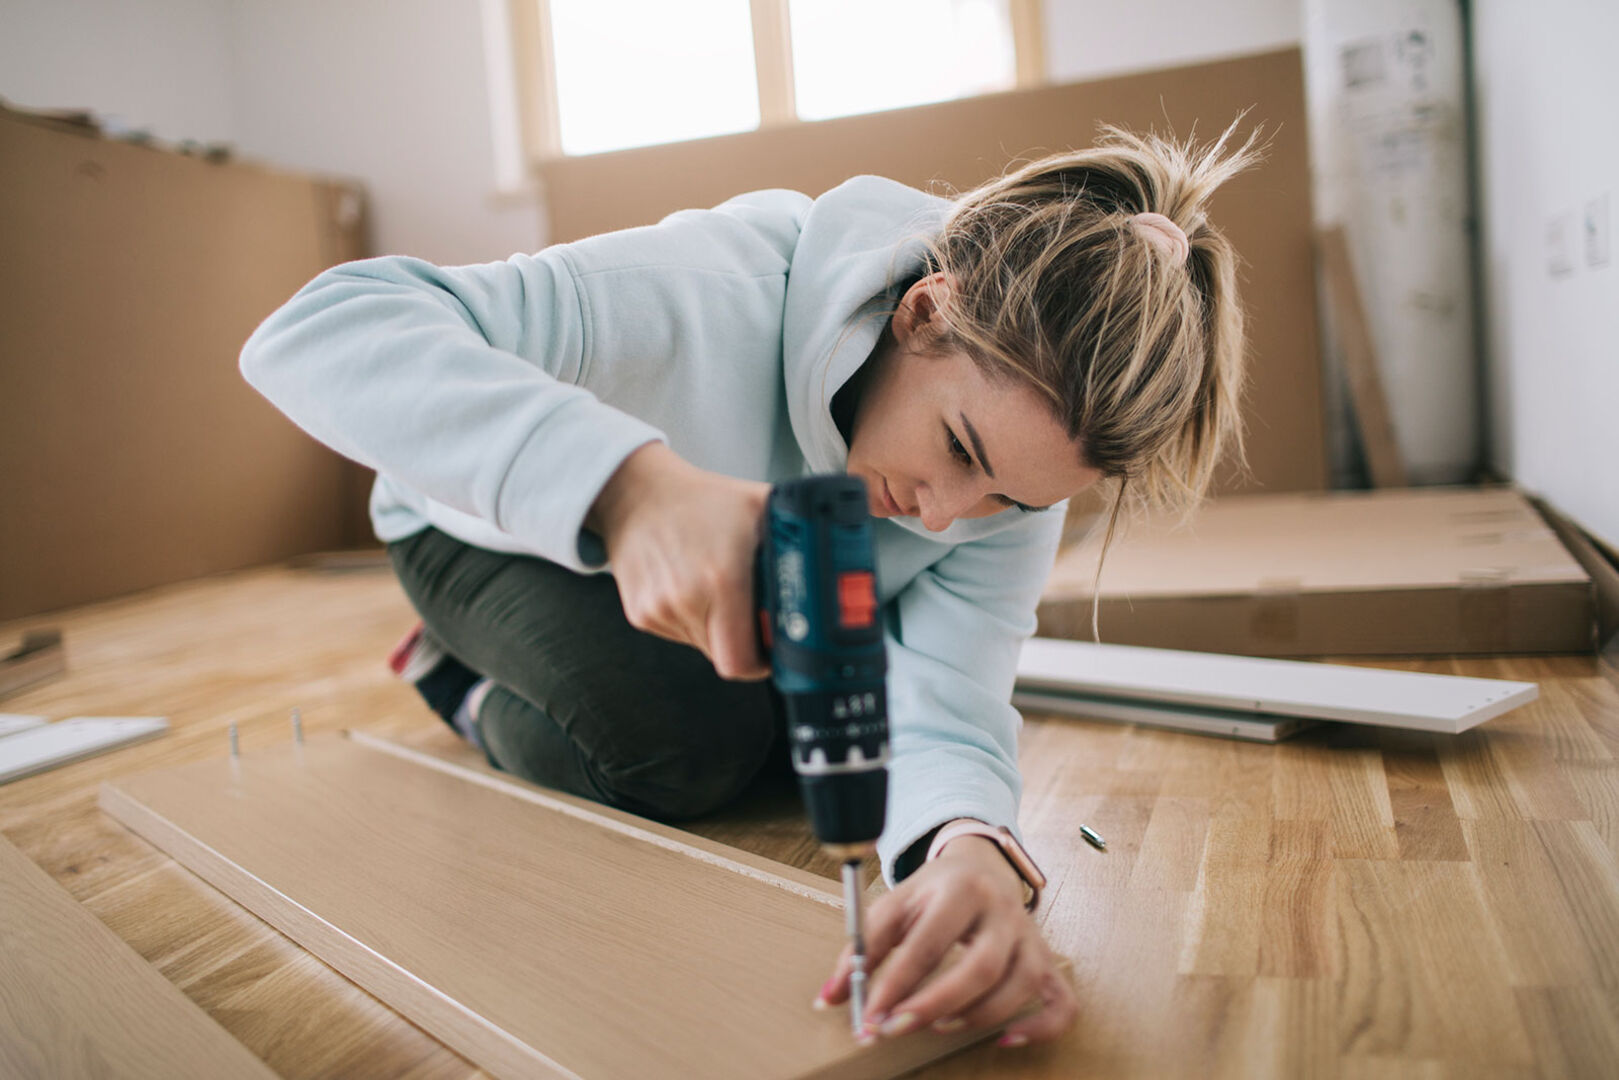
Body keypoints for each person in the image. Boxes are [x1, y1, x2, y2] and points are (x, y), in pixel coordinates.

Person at [240, 122, 1257, 1049]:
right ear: (922, 311)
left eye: (1007, 500)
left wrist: (967, 848)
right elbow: (317, 329)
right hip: (476, 528)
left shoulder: (1011, 480)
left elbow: (949, 690)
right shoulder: (700, 286)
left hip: (745, 572)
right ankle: (451, 671)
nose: (947, 516)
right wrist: (628, 490)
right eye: (955, 448)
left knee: (814, 747)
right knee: (688, 744)